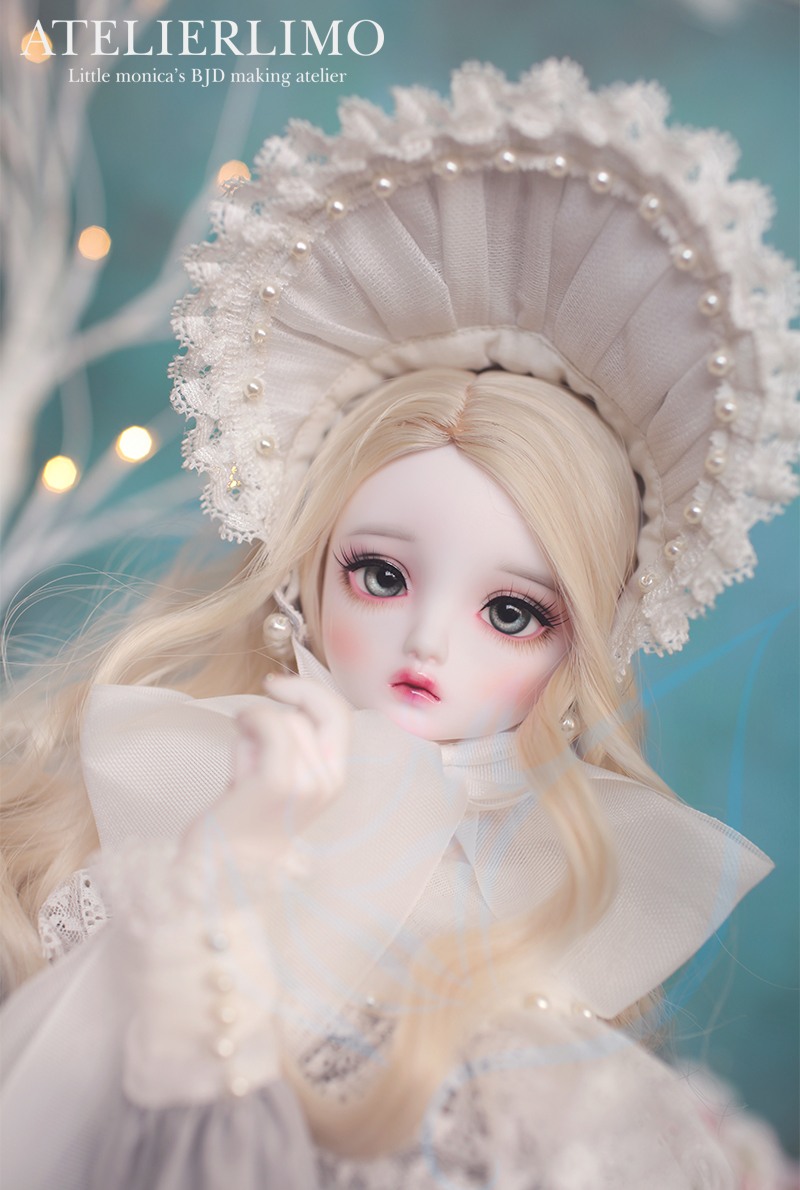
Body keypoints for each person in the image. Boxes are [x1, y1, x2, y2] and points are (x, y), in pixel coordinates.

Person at [1, 61, 797, 1188]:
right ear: (303, 573)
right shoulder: (163, 813)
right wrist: (230, 870)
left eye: (511, 612)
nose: (428, 641)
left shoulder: (536, 916)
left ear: (579, 646)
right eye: (378, 574)